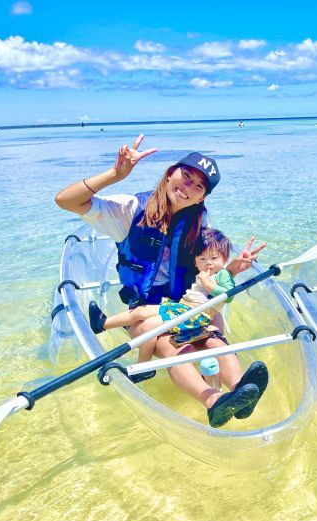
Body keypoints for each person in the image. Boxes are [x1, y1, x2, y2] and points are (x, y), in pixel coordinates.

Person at [55, 134, 269, 429]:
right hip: (146, 306)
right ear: (170, 174)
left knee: (212, 335)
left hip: (185, 303)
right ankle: (213, 402)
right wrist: (115, 174)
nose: (188, 187)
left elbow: (207, 265)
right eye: (186, 175)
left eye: (198, 186)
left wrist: (232, 268)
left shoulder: (198, 223)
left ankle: (240, 393)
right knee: (173, 346)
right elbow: (65, 200)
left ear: (202, 197)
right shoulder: (129, 210)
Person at [89, 227, 236, 361]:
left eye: (214, 258)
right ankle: (102, 324)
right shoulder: (202, 273)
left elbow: (228, 296)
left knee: (150, 326)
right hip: (181, 308)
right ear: (195, 262)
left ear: (224, 259)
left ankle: (143, 365)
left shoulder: (223, 275)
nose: (208, 263)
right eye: (202, 259)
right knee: (140, 311)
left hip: (193, 317)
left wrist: (208, 284)